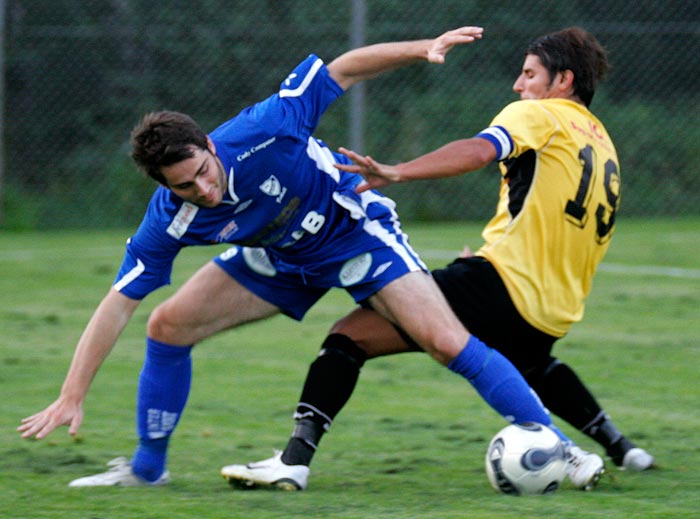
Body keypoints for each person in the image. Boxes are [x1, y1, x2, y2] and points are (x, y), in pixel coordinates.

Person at [17, 26, 602, 490]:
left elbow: (342, 68)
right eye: (186, 187)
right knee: (166, 326)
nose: (205, 191)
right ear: (164, 187)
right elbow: (118, 302)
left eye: (202, 172)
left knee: (447, 341)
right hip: (281, 257)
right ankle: (147, 470)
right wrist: (73, 393)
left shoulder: (264, 127)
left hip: (353, 235)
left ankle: (559, 448)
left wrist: (423, 48)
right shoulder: (170, 218)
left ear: (209, 146)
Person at [220, 26, 656, 492]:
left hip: (506, 284)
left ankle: (294, 462)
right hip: (555, 307)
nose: (518, 85)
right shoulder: (599, 139)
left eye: (529, 74)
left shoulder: (540, 114)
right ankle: (622, 447)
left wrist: (399, 171)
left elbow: (478, 150)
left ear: (563, 81)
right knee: (530, 361)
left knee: (349, 336)